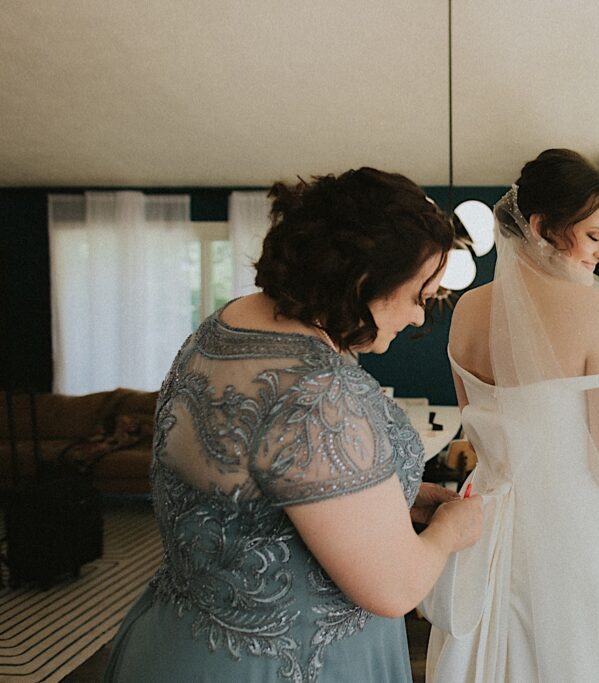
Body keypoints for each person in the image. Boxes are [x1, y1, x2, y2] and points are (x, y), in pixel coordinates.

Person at [104, 168, 483, 683]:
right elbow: (394, 589)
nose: (420, 317)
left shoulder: (224, 326)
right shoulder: (316, 391)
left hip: (176, 641)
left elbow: (257, 492)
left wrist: (397, 499)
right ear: (363, 281)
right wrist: (448, 531)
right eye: (421, 294)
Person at [420, 149, 599, 681]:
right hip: (575, 533)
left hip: (484, 528)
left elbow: (473, 428)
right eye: (593, 235)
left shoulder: (468, 309)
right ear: (544, 227)